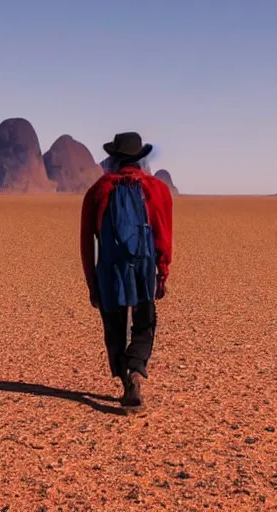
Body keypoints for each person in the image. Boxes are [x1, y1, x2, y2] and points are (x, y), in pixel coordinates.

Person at [80, 132, 172, 411]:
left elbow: (86, 241)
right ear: (140, 159)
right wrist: (162, 271)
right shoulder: (155, 189)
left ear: (114, 158)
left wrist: (92, 283)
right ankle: (135, 368)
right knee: (144, 324)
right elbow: (163, 235)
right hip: (143, 269)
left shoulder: (98, 190)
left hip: (110, 269)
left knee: (114, 328)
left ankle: (125, 380)